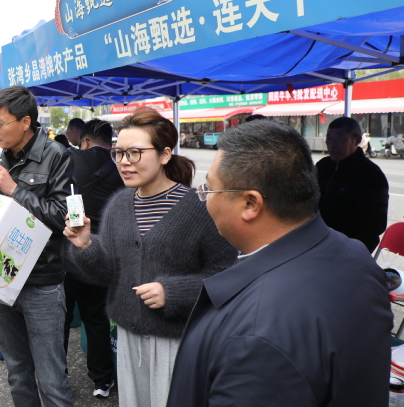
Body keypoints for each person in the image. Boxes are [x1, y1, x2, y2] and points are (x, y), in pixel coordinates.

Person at [167, 119, 393, 407]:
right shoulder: (355, 256)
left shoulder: (257, 332)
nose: (205, 199)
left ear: (250, 204)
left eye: (209, 190)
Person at [64, 108, 236, 407]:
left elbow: (228, 276)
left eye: (135, 153)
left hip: (179, 341)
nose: (124, 162)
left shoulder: (199, 208)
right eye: (118, 153)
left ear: (165, 154)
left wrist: (175, 292)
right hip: (128, 340)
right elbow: (108, 273)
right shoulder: (119, 205)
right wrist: (85, 245)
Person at [0, 85, 76, 407]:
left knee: (51, 379)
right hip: (1, 276)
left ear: (25, 122)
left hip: (42, 282)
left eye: (0, 123)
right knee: (16, 372)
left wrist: (14, 188)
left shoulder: (57, 155)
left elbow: (63, 218)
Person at [63, 119, 124, 398]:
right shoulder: (121, 167)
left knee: (61, 320)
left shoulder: (71, 160)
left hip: (69, 253)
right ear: (111, 143)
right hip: (102, 255)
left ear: (85, 141)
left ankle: (58, 377)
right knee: (97, 319)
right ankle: (102, 380)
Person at [316, 117, 388, 253]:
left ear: (357, 140)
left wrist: (352, 252)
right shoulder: (323, 166)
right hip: (315, 239)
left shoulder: (371, 175)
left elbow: (373, 227)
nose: (332, 144)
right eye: (329, 138)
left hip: (346, 248)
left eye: (339, 138)